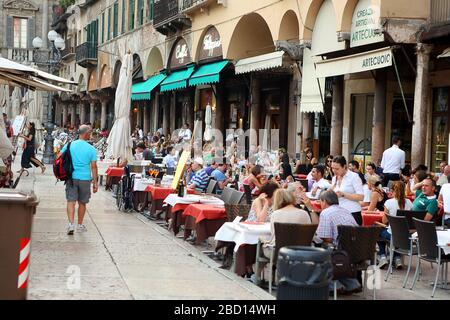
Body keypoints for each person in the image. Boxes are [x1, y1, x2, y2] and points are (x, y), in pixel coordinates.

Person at [315, 190, 361, 295]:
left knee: (319, 253)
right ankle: (352, 284)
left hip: (341, 253)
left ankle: (334, 285)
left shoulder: (325, 213)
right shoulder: (346, 211)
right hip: (357, 251)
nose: (320, 204)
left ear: (325, 201)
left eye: (320, 202)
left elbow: (327, 238)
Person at [61, 125, 98, 235]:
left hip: (71, 177)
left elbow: (59, 156)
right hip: (85, 179)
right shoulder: (91, 149)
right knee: (82, 202)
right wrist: (95, 182)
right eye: (90, 133)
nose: (90, 135)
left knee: (71, 201)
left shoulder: (70, 145)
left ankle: (71, 224)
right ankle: (80, 225)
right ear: (86, 134)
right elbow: (94, 166)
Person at [378, 181, 413, 269]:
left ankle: (382, 256)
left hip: (392, 235)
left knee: (378, 232)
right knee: (397, 234)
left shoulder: (389, 202)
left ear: (393, 190)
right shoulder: (409, 202)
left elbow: (384, 220)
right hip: (406, 235)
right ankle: (397, 258)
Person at [330, 156, 364, 225]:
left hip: (352, 212)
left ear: (344, 167)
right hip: (338, 212)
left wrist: (343, 194)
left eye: (337, 169)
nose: (334, 171)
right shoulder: (334, 178)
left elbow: (361, 197)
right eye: (332, 168)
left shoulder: (354, 177)